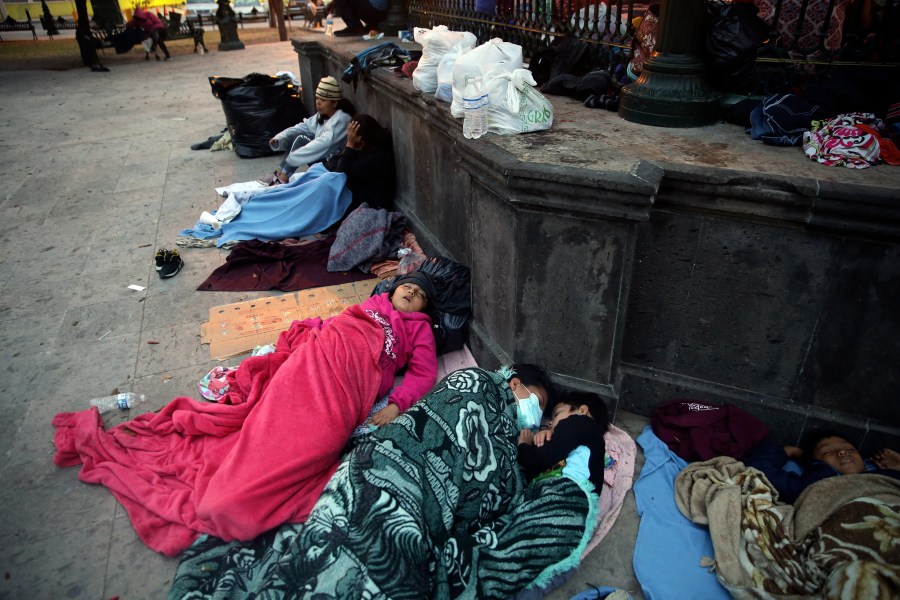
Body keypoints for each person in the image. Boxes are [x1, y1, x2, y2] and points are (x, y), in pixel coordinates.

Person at [52, 272, 440, 555]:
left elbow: (423, 373)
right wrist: (308, 335)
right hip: (316, 359)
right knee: (267, 414)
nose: (411, 291)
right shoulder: (368, 307)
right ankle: (240, 477)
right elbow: (329, 327)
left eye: (420, 293)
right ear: (392, 288)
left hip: (348, 385)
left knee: (319, 441)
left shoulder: (418, 330)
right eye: (408, 284)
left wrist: (395, 405)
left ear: (425, 308)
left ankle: (236, 493)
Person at [746, 429, 900, 504]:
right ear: (814, 463)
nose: (842, 452)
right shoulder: (813, 484)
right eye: (828, 451)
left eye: (850, 449)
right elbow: (760, 470)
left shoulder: (884, 478)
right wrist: (786, 451)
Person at [259, 76, 354, 186]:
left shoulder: (341, 119)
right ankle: (279, 174)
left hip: (333, 166)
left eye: (322, 100)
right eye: (317, 98)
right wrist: (280, 137)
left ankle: (282, 178)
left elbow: (325, 143)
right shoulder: (322, 115)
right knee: (298, 135)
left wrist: (296, 155)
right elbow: (303, 126)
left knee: (301, 139)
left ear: (334, 103)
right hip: (324, 160)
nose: (318, 103)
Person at [517, 390, 610, 492]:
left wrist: (524, 445)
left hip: (566, 495)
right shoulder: (585, 444)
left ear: (582, 411)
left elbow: (542, 458)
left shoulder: (580, 422)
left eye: (556, 414)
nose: (550, 423)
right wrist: (543, 442)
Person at [323, 113, 395, 212]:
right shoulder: (367, 151)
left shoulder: (377, 157)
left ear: (361, 141)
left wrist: (350, 145)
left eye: (351, 138)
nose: (349, 141)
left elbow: (340, 174)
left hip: (370, 206)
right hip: (358, 197)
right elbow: (334, 161)